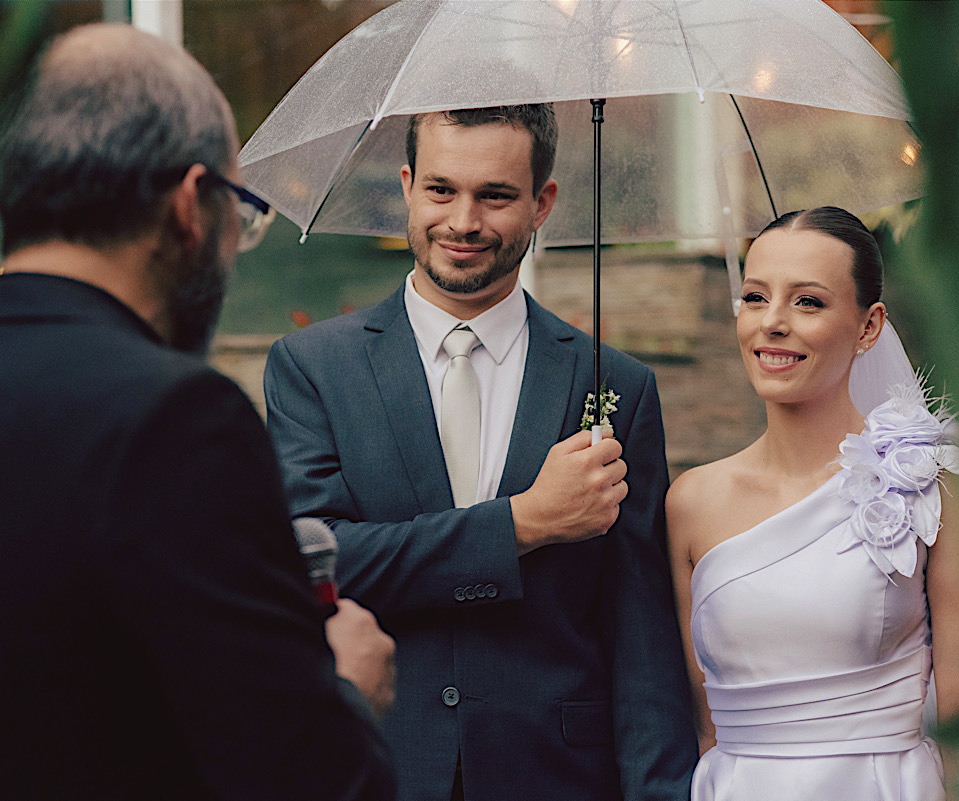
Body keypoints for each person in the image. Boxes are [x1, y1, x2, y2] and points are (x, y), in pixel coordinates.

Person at [0, 23, 397, 801]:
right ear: (190, 206)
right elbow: (301, 777)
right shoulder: (175, 419)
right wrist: (348, 691)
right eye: (242, 213)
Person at [262, 104, 697, 801]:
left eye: (494, 195)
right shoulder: (312, 368)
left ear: (541, 203)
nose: (463, 221)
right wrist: (524, 522)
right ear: (406, 185)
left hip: (558, 779)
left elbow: (641, 640)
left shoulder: (615, 385)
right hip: (377, 768)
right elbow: (317, 564)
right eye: (441, 189)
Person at [667, 207, 959, 801]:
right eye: (754, 297)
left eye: (808, 302)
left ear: (869, 326)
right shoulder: (690, 502)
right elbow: (700, 724)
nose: (772, 323)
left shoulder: (934, 485)